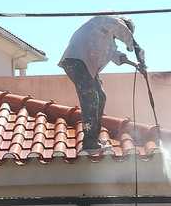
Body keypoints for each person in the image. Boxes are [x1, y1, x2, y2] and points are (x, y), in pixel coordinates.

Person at [58, 16, 144, 152]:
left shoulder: (106, 38)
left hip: (84, 66)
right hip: (76, 61)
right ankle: (89, 142)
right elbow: (122, 29)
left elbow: (115, 55)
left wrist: (136, 64)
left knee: (101, 97)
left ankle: (94, 138)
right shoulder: (109, 21)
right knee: (91, 99)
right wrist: (135, 48)